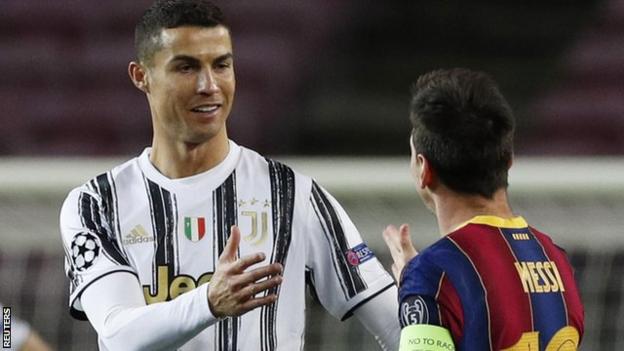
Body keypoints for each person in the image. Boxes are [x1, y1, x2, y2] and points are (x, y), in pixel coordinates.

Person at [59, 1, 399, 350]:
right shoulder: (96, 204)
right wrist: (209, 302)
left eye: (221, 65)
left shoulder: (294, 195)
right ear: (140, 76)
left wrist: (425, 302)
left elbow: (396, 328)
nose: (209, 85)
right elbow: (118, 336)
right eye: (186, 68)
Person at [382, 68, 584, 350]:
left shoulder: (434, 275)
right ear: (509, 161)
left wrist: (421, 289)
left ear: (424, 169)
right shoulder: (558, 261)